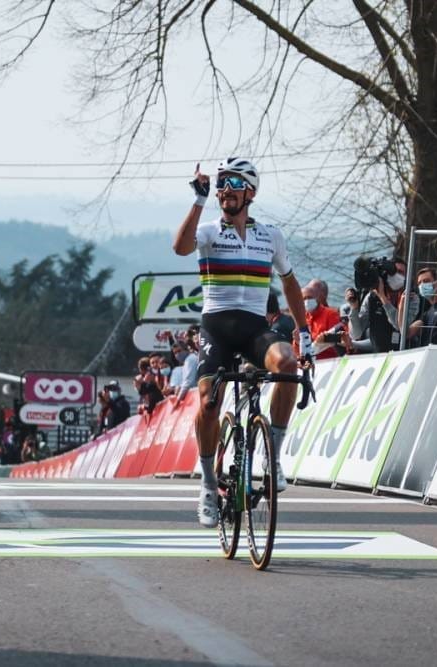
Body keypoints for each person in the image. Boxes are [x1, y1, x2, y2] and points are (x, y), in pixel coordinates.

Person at [173, 156, 313, 528]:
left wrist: (304, 332)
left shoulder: (271, 235)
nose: (225, 191)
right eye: (221, 184)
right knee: (208, 401)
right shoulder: (207, 230)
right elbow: (180, 248)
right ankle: (206, 484)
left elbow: (290, 283)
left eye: (233, 184)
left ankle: (274, 459)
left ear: (250, 191)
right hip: (216, 328)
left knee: (287, 365)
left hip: (253, 328)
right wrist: (198, 200)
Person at [297, 281, 341, 360]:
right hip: (308, 363)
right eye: (304, 298)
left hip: (328, 362)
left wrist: (316, 343)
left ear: (317, 297)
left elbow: (338, 342)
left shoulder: (331, 314)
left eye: (310, 297)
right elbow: (297, 351)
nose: (307, 301)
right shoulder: (302, 318)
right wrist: (297, 342)